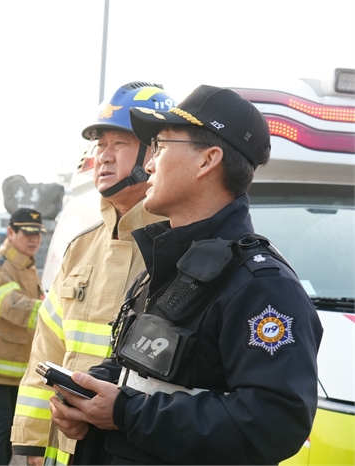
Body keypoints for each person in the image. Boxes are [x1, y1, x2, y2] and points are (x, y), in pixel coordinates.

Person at [48, 85, 324, 464]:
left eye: (160, 146)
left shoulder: (262, 286)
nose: (149, 164)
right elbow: (137, 369)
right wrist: (86, 394)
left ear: (207, 161)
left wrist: (126, 412)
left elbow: (273, 422)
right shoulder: (166, 266)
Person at [11, 82, 175, 466]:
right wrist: (32, 443)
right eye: (100, 145)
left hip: (130, 449)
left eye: (119, 144)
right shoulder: (81, 247)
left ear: (155, 152)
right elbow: (46, 349)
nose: (104, 156)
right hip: (63, 450)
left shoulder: (179, 247)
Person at [0, 208, 46, 465]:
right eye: (27, 233)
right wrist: (53, 312)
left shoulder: (26, 264)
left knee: (15, 430)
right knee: (0, 427)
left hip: (21, 364)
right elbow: (12, 306)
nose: (34, 239)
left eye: (38, 234)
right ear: (10, 233)